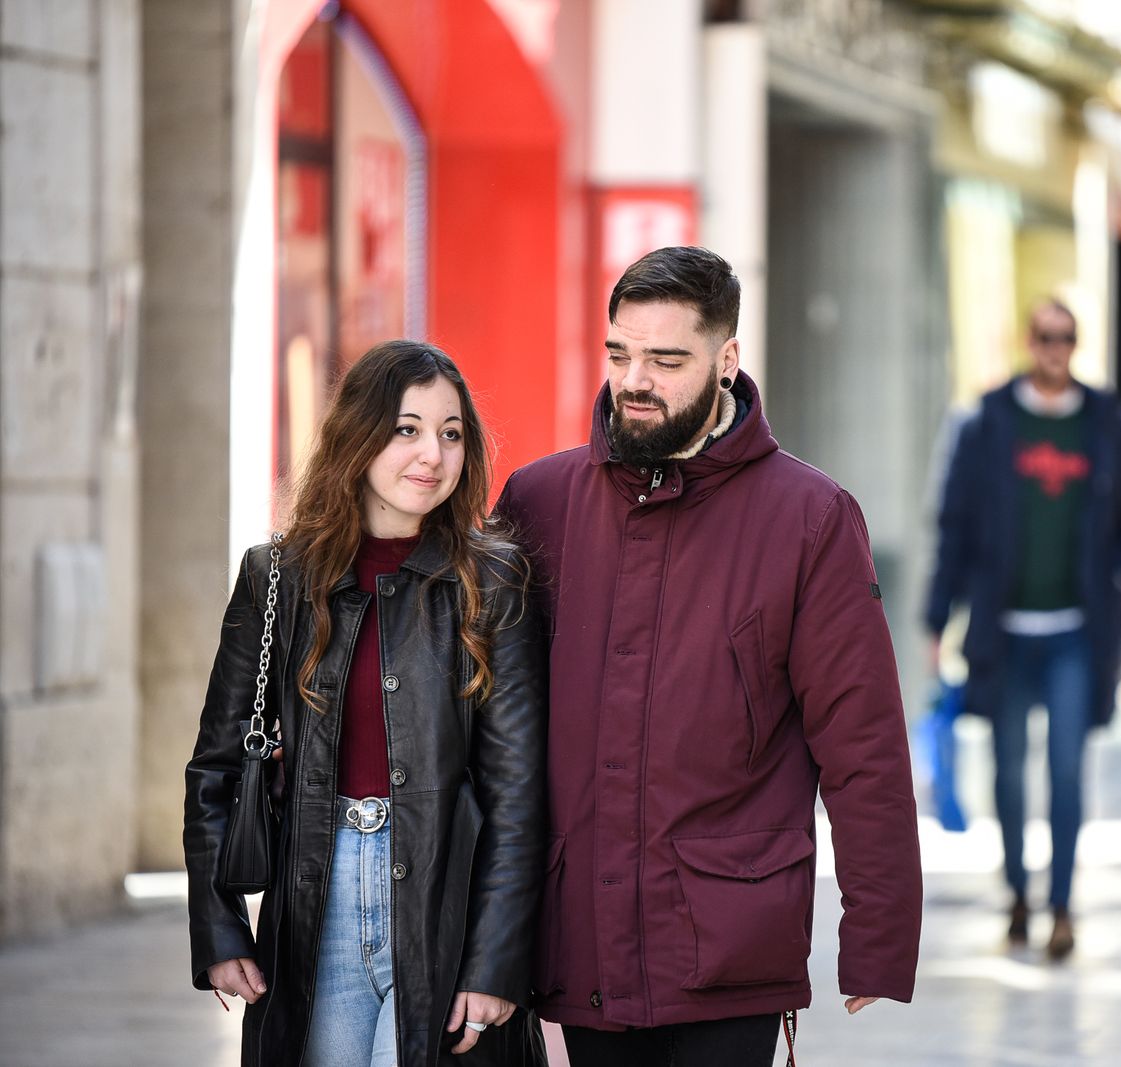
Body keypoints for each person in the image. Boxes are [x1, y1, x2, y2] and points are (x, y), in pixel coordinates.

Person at [494, 246, 922, 1066]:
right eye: (620, 353)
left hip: (730, 940)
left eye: (666, 359)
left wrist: (879, 930)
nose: (635, 380)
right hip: (579, 932)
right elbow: (485, 725)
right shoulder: (538, 501)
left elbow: (862, 740)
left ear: (727, 360)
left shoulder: (811, 518)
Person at [184, 340, 548, 1067]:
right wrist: (219, 927)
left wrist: (495, 961)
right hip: (316, 902)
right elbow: (216, 768)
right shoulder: (277, 577)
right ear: (360, 434)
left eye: (451, 433)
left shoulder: (494, 581)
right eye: (407, 428)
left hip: (444, 901)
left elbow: (518, 793)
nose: (432, 455)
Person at [925, 297, 1121, 960]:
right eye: (1047, 337)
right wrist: (937, 617)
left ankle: (1061, 904)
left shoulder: (1110, 422)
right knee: (1007, 773)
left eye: (1067, 338)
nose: (1057, 349)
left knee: (1067, 769)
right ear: (1029, 342)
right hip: (1004, 631)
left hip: (1077, 631)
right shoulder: (989, 420)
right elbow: (954, 522)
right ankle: (1017, 894)